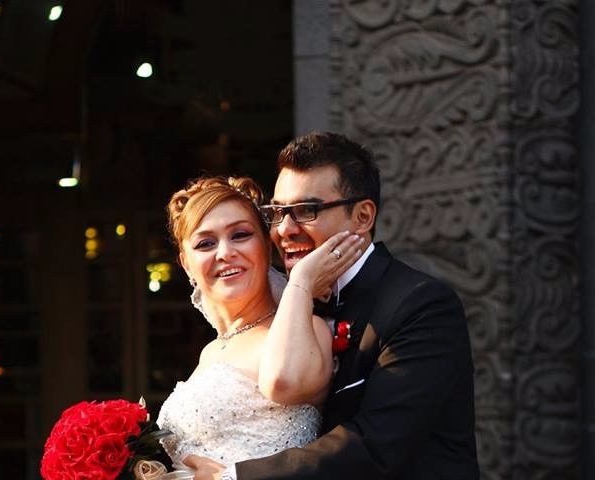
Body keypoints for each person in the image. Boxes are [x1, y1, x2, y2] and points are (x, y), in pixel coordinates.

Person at [185, 132, 479, 479]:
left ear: (363, 216)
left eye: (306, 210)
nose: (284, 230)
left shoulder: (419, 303)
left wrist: (234, 477)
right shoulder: (296, 307)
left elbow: (377, 444)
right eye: (278, 212)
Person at [152, 175, 364, 479]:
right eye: (206, 243)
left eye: (240, 235)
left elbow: (283, 382)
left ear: (267, 245)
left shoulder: (310, 328)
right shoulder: (211, 352)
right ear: (186, 263)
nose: (224, 253)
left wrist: (301, 281)